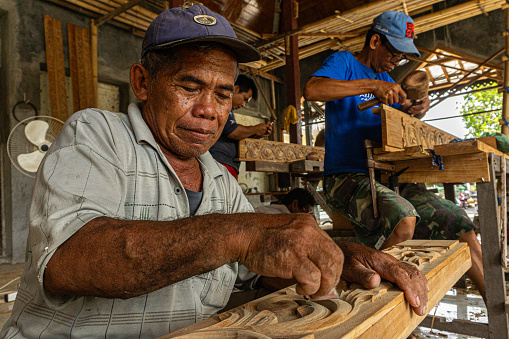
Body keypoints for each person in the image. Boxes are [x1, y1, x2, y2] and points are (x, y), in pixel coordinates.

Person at [2, 6, 428, 338]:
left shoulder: (219, 178)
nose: (209, 109)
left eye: (223, 94)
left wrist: (344, 256)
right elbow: (68, 260)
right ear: (142, 82)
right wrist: (243, 233)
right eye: (189, 87)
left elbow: (257, 268)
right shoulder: (97, 134)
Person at [303, 10, 486, 301]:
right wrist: (372, 85)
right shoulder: (344, 63)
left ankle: (500, 313)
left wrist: (412, 110)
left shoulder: (388, 81)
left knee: (458, 220)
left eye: (401, 58)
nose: (396, 62)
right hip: (346, 175)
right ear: (375, 41)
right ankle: (372, 287)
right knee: (403, 219)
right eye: (395, 53)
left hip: (387, 176)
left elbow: (397, 123)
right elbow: (312, 89)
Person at [208, 74, 273, 180]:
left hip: (227, 166)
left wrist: (257, 134)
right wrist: (255, 129)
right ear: (236, 89)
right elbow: (233, 132)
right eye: (244, 99)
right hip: (219, 164)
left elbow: (237, 137)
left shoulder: (229, 111)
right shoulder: (222, 105)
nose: (243, 104)